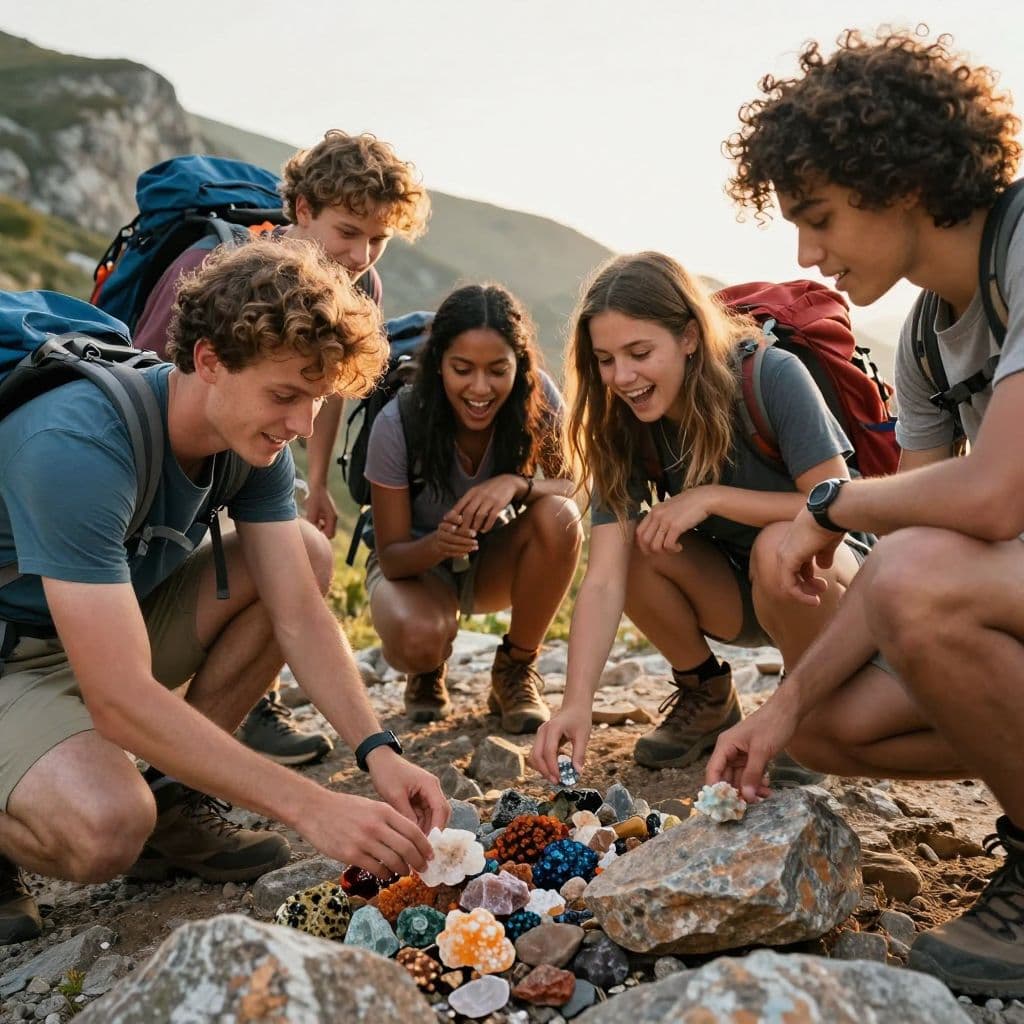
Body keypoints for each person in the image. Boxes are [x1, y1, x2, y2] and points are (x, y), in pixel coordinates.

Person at [0, 238, 448, 946]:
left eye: (317, 399)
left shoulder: (246, 442)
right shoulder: (76, 445)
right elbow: (117, 699)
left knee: (301, 550)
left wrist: (378, 751)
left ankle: (177, 802)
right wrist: (312, 807)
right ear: (209, 361)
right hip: (12, 661)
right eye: (285, 394)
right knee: (106, 825)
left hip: (94, 628)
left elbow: (297, 611)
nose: (302, 426)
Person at [705, 28, 1024, 997]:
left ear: (903, 182)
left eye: (821, 216)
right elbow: (926, 536)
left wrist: (831, 503)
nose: (807, 252)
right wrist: (778, 713)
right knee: (827, 728)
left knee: (923, 579)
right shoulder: (930, 331)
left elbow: (991, 492)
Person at [135, 129, 431, 764]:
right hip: (165, 463)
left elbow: (328, 392)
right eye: (348, 231)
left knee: (295, 559)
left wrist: (315, 481)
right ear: (302, 210)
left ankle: (241, 711)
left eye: (378, 239)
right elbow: (153, 372)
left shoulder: (359, 288)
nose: (361, 255)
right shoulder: (219, 271)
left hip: (253, 453)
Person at [531, 251, 863, 783]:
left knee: (780, 541)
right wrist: (576, 704)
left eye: (639, 352)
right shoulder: (621, 425)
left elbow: (839, 504)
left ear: (688, 337)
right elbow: (604, 579)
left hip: (832, 591)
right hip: (738, 589)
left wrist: (711, 497)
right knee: (638, 541)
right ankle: (707, 697)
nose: (622, 376)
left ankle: (808, 718)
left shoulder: (770, 376)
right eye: (606, 359)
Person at [364, 283, 582, 733]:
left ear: (518, 365)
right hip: (417, 568)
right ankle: (426, 668)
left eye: (497, 370)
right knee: (418, 637)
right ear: (439, 363)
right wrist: (439, 545)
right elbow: (392, 557)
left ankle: (515, 670)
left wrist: (516, 485)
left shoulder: (535, 396)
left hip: (492, 560)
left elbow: (574, 485)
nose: (480, 388)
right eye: (462, 369)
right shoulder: (398, 422)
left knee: (560, 515)